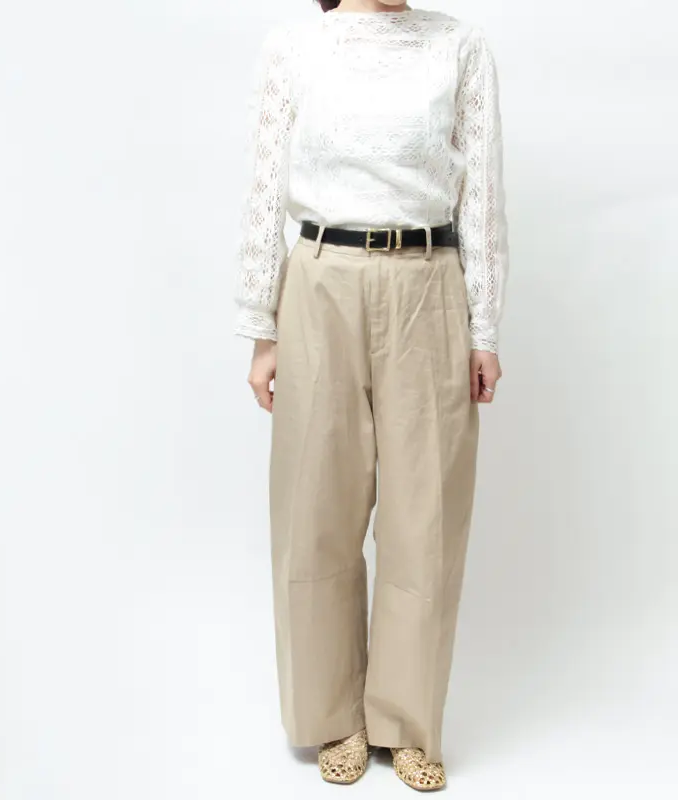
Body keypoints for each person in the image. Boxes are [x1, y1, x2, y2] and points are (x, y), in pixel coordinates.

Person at [232, 0, 508, 790]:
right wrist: (261, 324)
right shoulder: (295, 47)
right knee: (315, 508)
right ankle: (333, 717)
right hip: (320, 280)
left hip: (429, 281)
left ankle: (406, 721)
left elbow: (482, 195)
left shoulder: (459, 46)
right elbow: (265, 185)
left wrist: (484, 325)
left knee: (427, 514)